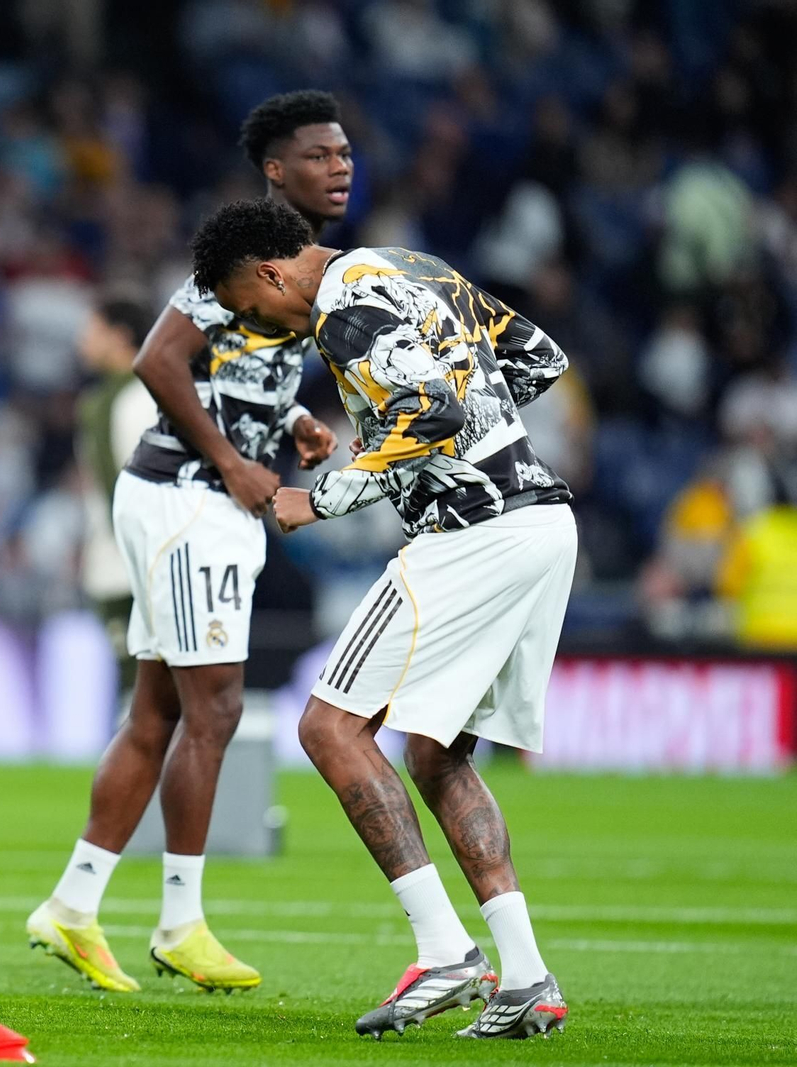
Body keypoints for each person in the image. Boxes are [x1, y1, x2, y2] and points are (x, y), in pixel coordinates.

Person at [189, 196, 575, 1039]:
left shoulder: (341, 304)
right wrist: (467, 438)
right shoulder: (415, 266)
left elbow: (432, 410)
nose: (268, 321)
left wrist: (319, 498)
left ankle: (442, 951)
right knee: (435, 755)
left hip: (471, 536)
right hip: (541, 522)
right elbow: (540, 359)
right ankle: (527, 977)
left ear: (270, 271)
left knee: (330, 729)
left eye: (255, 306)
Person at [27, 90, 344, 994]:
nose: (340, 165)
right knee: (216, 709)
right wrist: (237, 466)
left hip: (193, 496)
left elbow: (240, 368)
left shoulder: (299, 260)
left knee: (159, 711)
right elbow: (159, 358)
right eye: (319, 154)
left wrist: (291, 422)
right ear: (277, 169)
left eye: (345, 151)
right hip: (191, 496)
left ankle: (74, 907)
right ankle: (181, 921)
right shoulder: (245, 249)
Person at [74, 295, 158, 696]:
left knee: (137, 685)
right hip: (134, 562)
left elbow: (119, 486)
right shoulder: (147, 393)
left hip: (128, 567)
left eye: (91, 331)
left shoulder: (123, 401)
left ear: (120, 336)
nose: (82, 342)